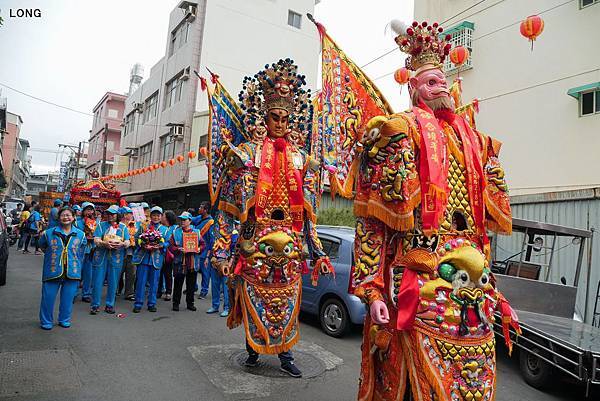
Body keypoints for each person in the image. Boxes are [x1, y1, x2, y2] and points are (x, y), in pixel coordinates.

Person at [317, 20, 520, 400]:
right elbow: (374, 225)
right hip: (418, 281)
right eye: (430, 82)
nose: (440, 86)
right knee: (407, 384)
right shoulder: (399, 132)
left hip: (472, 290)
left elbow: (480, 234)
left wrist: (496, 289)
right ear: (413, 88)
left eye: (443, 80)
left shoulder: (475, 143)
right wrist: (374, 292)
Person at [209, 59, 333, 378]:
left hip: (290, 254)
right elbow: (227, 209)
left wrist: (318, 252)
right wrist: (223, 251)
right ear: (265, 119)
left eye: (285, 119)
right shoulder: (248, 154)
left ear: (291, 122)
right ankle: (253, 348)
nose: (280, 123)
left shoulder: (302, 160)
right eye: (274, 118)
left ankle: (286, 354)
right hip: (255, 251)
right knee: (257, 305)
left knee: (287, 307)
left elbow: (309, 217)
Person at [38, 207, 86, 330]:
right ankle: (46, 321)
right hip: (52, 270)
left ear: (73, 217)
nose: (66, 217)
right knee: (47, 298)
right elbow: (42, 245)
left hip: (72, 271)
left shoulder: (81, 235)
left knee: (68, 299)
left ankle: (64, 319)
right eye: (63, 215)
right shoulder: (49, 233)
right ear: (59, 218)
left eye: (68, 215)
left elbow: (81, 250)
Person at [90, 205, 129, 314]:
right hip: (101, 256)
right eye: (108, 214)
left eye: (113, 214)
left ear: (118, 215)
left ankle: (110, 305)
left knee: (113, 281)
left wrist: (122, 244)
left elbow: (127, 241)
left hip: (116, 257)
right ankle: (95, 305)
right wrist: (103, 243)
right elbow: (96, 239)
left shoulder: (123, 227)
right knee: (97, 281)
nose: (110, 216)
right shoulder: (101, 225)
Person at [132, 206, 168, 313]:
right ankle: (138, 303)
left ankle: (152, 303)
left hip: (156, 258)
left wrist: (160, 246)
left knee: (154, 282)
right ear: (150, 216)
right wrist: (143, 244)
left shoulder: (165, 230)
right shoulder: (144, 226)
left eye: (158, 215)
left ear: (161, 217)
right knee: (141, 282)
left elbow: (168, 242)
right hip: (143, 258)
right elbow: (136, 237)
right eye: (154, 215)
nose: (156, 217)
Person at [169, 212, 204, 311]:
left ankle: (190, 303)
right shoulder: (176, 232)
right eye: (181, 219)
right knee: (178, 284)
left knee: (191, 284)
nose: (182, 221)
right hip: (180, 261)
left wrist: (199, 249)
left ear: (190, 221)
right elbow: (171, 246)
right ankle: (176, 303)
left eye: (185, 220)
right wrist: (178, 249)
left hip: (192, 262)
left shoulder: (196, 232)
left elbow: (203, 244)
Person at [206, 213, 231, 317]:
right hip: (214, 261)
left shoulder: (231, 233)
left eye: (222, 219)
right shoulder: (213, 234)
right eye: (218, 219)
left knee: (226, 287)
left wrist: (231, 261)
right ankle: (215, 306)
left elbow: (234, 248)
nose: (220, 221)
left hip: (225, 261)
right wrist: (207, 258)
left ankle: (227, 307)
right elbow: (210, 246)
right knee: (215, 285)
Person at [191, 201, 214, 299]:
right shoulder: (198, 218)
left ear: (206, 210)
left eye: (201, 207)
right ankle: (194, 287)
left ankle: (204, 290)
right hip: (195, 248)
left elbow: (211, 239)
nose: (199, 209)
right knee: (194, 269)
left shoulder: (211, 222)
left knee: (205, 272)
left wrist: (209, 254)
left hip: (205, 251)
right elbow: (190, 220)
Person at [75, 202, 97, 303]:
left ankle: (86, 293)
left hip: (91, 249)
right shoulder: (76, 222)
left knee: (89, 273)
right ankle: (73, 293)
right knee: (77, 272)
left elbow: (97, 234)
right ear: (83, 211)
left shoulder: (95, 222)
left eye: (91, 209)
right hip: (79, 249)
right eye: (87, 209)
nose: (89, 211)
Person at [118, 207, 139, 301]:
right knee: (117, 273)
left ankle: (129, 293)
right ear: (124, 215)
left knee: (131, 274)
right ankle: (115, 290)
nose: (131, 215)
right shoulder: (118, 226)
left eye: (131, 213)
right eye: (129, 213)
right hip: (119, 253)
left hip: (132, 253)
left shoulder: (135, 225)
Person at [157, 210, 177, 301]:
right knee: (159, 273)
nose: (161, 217)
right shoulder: (160, 227)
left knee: (168, 273)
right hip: (160, 253)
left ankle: (168, 292)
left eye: (163, 216)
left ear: (167, 218)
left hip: (169, 254)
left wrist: (164, 245)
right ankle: (159, 290)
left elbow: (172, 241)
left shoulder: (174, 228)